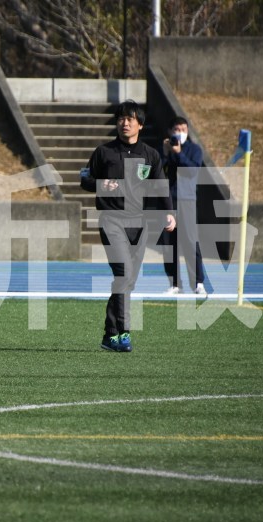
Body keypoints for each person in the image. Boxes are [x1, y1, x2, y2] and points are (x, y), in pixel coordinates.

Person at [80, 101, 176, 352]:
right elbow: (85, 179)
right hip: (112, 220)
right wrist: (101, 184)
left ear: (140, 125)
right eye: (121, 119)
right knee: (123, 274)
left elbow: (161, 185)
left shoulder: (150, 155)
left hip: (140, 223)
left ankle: (109, 335)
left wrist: (169, 212)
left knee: (128, 281)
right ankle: (124, 332)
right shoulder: (104, 152)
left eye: (130, 119)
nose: (125, 123)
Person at [161, 116, 207, 296]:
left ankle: (198, 283)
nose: (180, 133)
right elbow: (158, 171)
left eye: (183, 129)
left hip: (187, 200)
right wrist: (166, 153)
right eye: (177, 129)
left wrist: (178, 152)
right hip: (169, 202)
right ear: (170, 131)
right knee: (169, 244)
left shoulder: (194, 150)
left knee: (190, 241)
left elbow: (192, 171)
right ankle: (175, 284)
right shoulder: (165, 148)